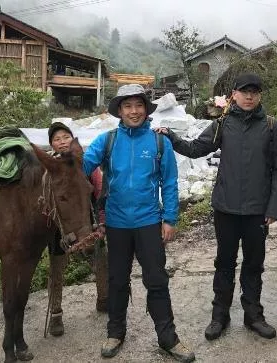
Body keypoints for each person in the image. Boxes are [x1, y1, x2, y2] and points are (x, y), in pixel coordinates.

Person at [156, 73, 277, 341]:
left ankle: (253, 316)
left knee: (254, 265)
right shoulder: (222, 125)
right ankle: (220, 317)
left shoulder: (273, 127)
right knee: (224, 263)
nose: (249, 96)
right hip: (226, 209)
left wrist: (274, 208)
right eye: (244, 91)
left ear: (259, 95)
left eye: (254, 91)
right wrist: (170, 137)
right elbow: (195, 149)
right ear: (234, 95)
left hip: (257, 212)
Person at [83, 84, 195, 362]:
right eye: (128, 106)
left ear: (146, 109)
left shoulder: (159, 143)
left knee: (157, 281)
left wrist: (169, 218)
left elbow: (169, 182)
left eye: (139, 106)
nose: (134, 111)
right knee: (117, 280)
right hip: (117, 223)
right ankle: (115, 332)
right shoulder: (106, 141)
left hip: (148, 222)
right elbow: (81, 168)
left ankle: (168, 338)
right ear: (119, 111)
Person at [46, 122, 108, 337]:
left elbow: (99, 192)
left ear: (73, 139)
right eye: (57, 139)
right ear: (51, 145)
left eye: (66, 137)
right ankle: (55, 314)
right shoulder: (48, 169)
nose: (62, 141)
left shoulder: (85, 163)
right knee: (56, 269)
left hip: (86, 222)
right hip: (59, 228)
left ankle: (103, 299)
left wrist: (101, 221)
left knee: (100, 261)